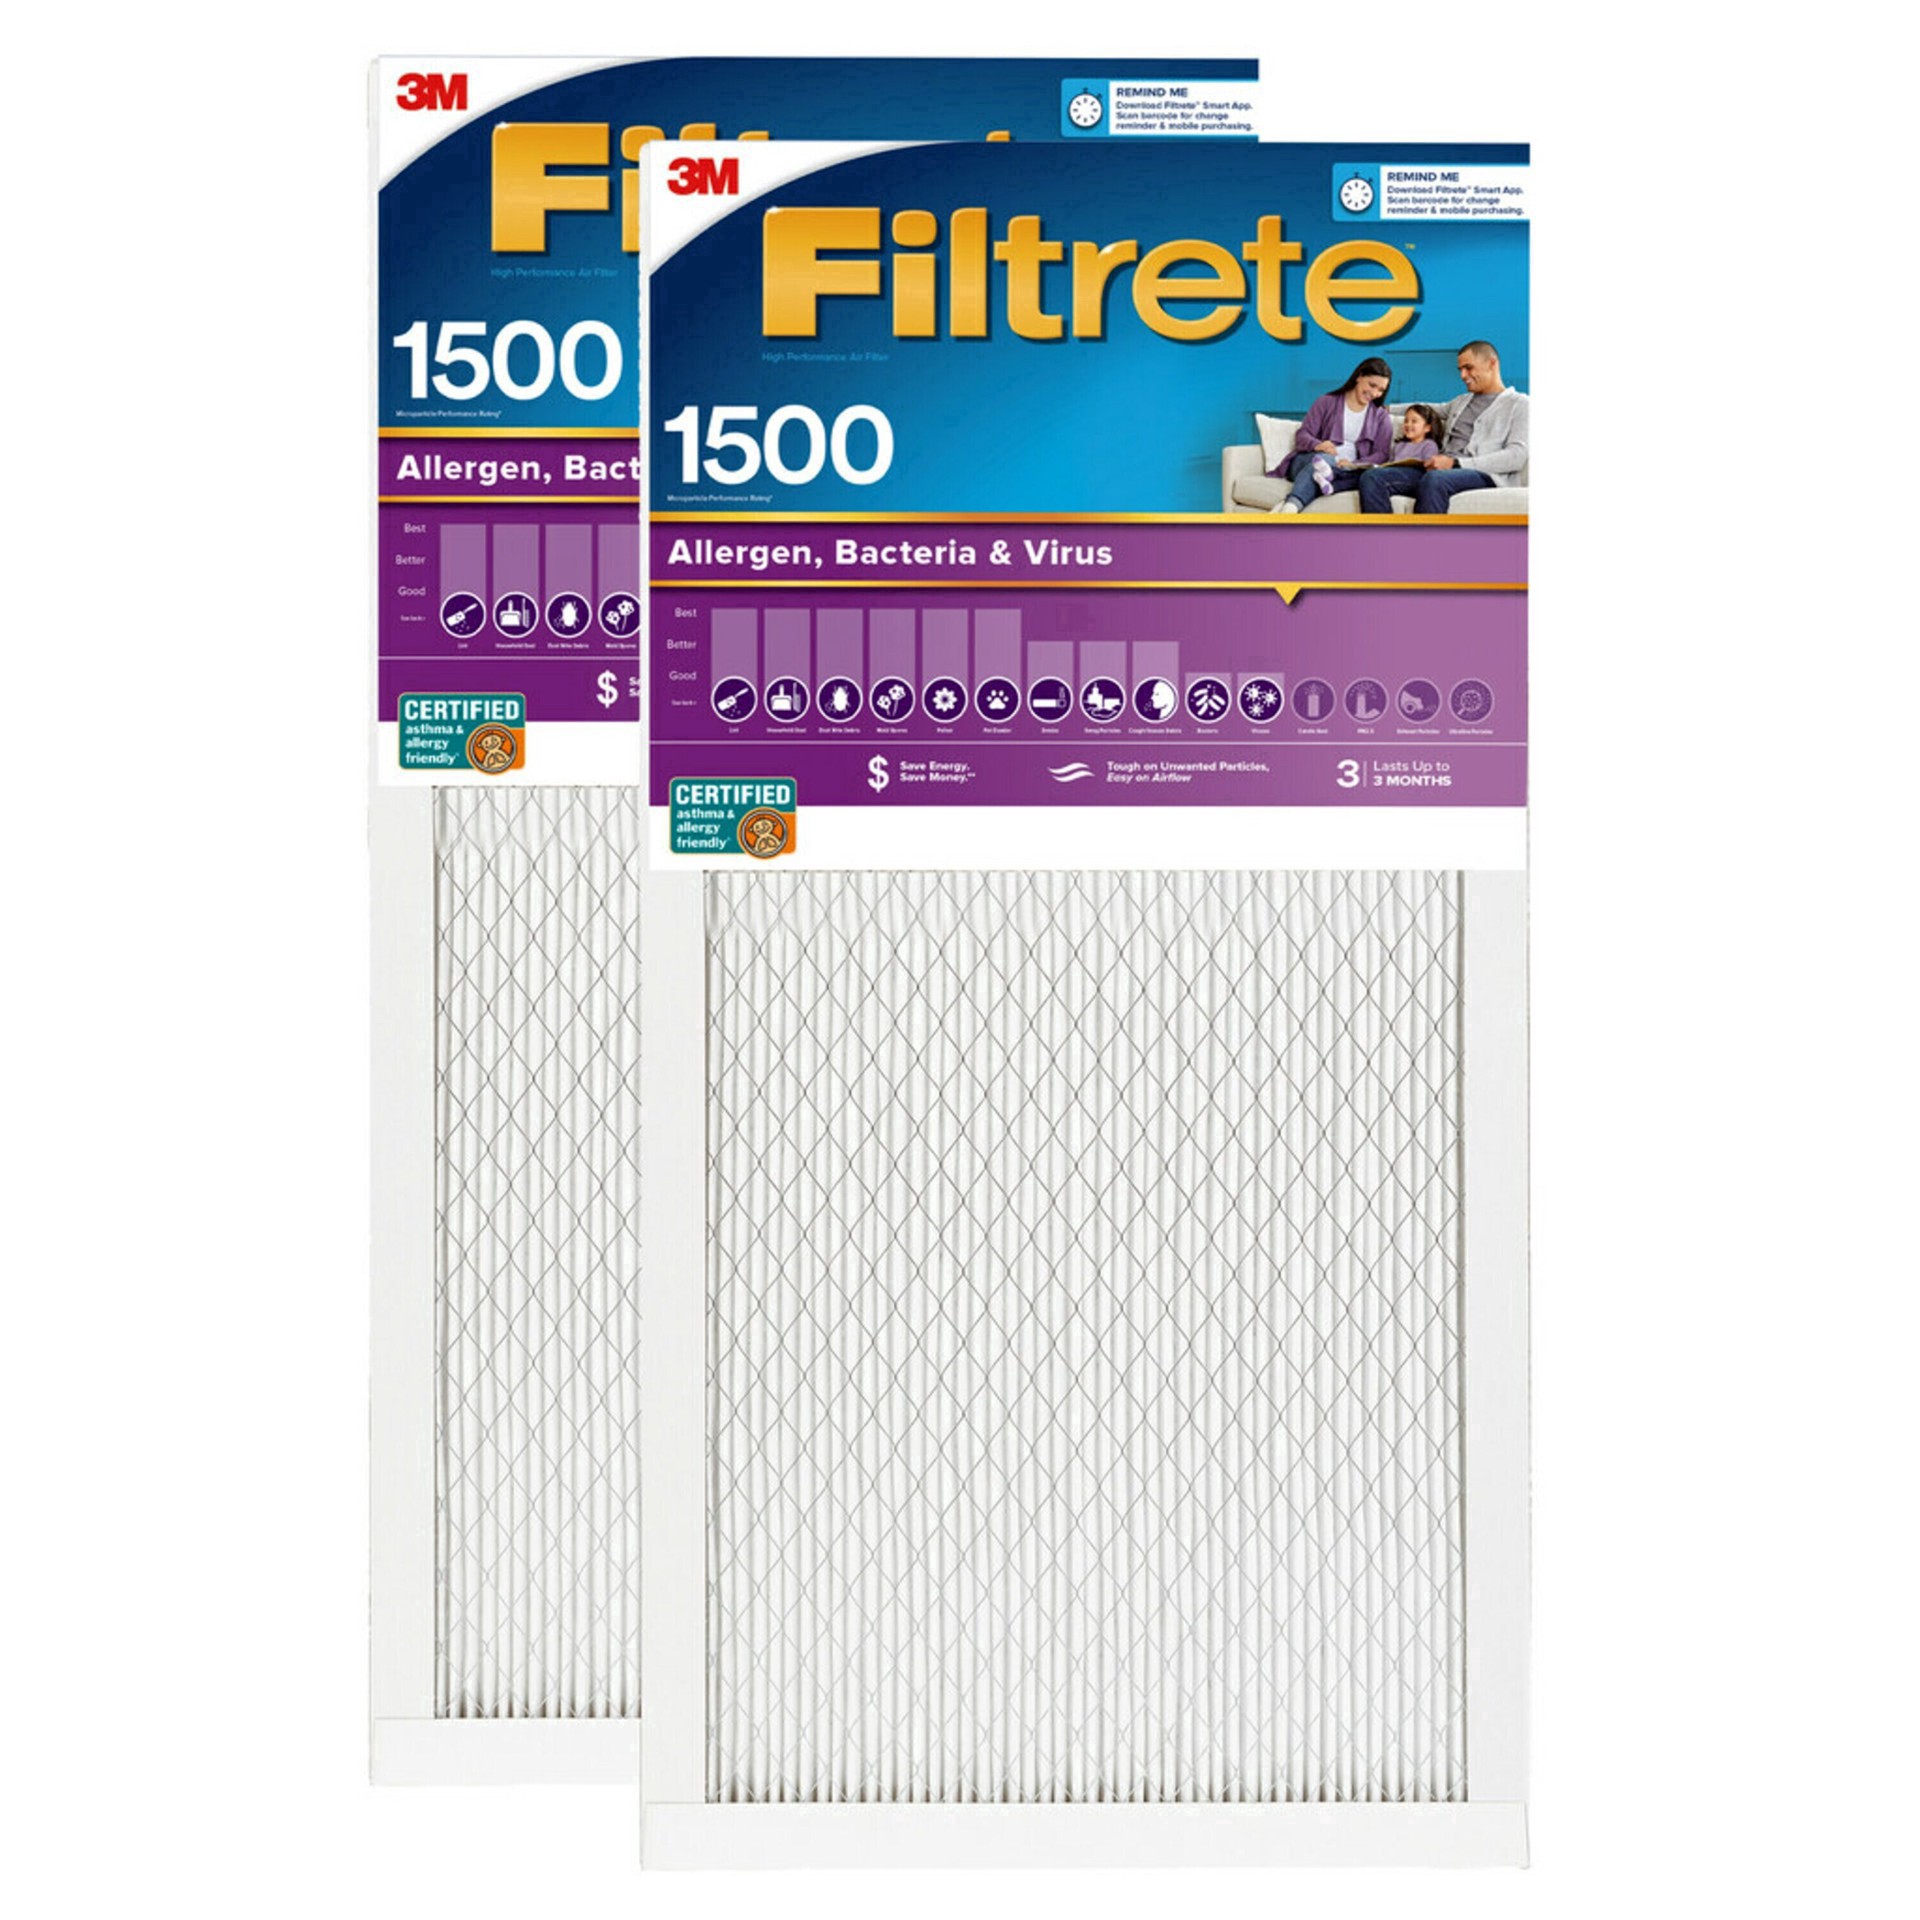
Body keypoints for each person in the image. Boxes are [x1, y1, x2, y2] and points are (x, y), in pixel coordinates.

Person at [1357, 341, 1529, 515]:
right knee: (1373, 477)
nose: (1463, 375)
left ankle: (1423, 535)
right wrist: (1383, 409)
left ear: (1492, 363)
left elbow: (1517, 455)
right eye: (1460, 369)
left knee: (1435, 480)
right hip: (1440, 471)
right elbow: (1427, 408)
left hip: (1482, 474)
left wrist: (1456, 463)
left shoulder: (1519, 404)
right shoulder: (1461, 401)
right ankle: (1384, 534)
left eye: (1468, 368)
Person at [1271, 358, 1394, 514]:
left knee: (1355, 476)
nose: (1375, 393)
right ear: (1359, 376)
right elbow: (1302, 435)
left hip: (1346, 470)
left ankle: (1289, 507)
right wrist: (1317, 445)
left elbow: (1382, 454)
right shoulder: (1326, 402)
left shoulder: (1381, 416)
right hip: (1310, 460)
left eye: (1381, 390)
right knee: (1323, 461)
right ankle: (1291, 508)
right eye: (1372, 385)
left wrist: (1354, 464)